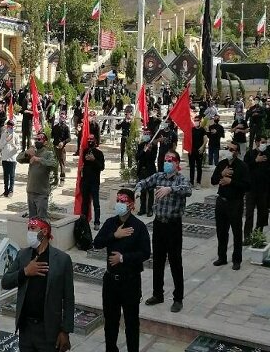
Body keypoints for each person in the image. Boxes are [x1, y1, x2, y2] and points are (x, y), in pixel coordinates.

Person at [1, 217, 74, 352]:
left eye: (33, 229)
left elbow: (69, 298)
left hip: (49, 331)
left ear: (44, 231)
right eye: (28, 228)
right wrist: (25, 272)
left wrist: (65, 331)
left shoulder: (62, 260)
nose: (29, 232)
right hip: (26, 329)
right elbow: (5, 281)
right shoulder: (22, 255)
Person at [93, 189, 151, 352]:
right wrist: (114, 235)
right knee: (110, 321)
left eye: (123, 201)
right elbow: (97, 243)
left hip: (130, 281)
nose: (119, 204)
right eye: (118, 200)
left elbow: (145, 253)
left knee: (132, 322)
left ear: (131, 205)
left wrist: (123, 258)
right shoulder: (111, 223)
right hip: (110, 281)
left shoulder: (138, 227)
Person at [135, 151, 191, 312]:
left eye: (170, 160)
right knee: (158, 261)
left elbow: (188, 190)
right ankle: (157, 294)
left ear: (176, 163)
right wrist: (138, 190)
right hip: (159, 224)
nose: (166, 162)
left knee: (175, 262)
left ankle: (178, 298)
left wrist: (170, 189)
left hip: (173, 226)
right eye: (165, 159)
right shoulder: (158, 176)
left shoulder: (180, 179)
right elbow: (143, 182)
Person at [211, 141, 250, 270]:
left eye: (232, 149)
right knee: (221, 231)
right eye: (227, 148)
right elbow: (213, 180)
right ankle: (222, 257)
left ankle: (237, 260)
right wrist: (222, 174)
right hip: (221, 201)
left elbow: (246, 186)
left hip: (235, 202)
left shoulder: (242, 166)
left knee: (237, 232)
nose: (229, 151)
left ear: (237, 152)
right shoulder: (222, 164)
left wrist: (231, 181)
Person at [16, 132, 57, 218]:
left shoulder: (48, 153)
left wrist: (38, 159)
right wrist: (26, 153)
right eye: (36, 139)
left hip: (41, 193)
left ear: (45, 142)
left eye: (39, 139)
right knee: (32, 220)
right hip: (31, 191)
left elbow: (54, 164)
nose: (37, 141)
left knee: (41, 219)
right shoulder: (32, 152)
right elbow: (18, 159)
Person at [243, 136, 270, 244]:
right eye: (263, 142)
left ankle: (258, 235)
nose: (264, 144)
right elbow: (244, 169)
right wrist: (255, 161)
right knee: (249, 214)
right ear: (257, 142)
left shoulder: (268, 154)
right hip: (251, 189)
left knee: (262, 214)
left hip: (264, 190)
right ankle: (247, 237)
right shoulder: (250, 154)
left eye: (266, 142)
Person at [80, 134, 105, 230]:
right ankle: (84, 221)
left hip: (94, 181)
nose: (90, 141)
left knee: (96, 203)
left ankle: (97, 222)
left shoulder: (99, 153)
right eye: (88, 139)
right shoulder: (85, 151)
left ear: (95, 141)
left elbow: (101, 167)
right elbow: (84, 163)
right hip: (85, 180)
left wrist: (94, 160)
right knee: (85, 202)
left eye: (91, 139)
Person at [135, 129, 157, 217]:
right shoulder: (140, 145)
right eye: (144, 134)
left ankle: (150, 209)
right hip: (142, 171)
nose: (146, 135)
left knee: (150, 191)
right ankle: (142, 208)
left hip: (150, 171)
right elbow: (137, 157)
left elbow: (153, 158)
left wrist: (149, 151)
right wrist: (144, 150)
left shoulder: (154, 146)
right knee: (142, 191)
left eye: (147, 134)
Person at [0, 120, 19, 197]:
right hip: (5, 157)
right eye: (9, 126)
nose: (10, 128)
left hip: (12, 157)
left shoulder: (16, 135)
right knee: (6, 175)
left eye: (11, 126)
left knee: (12, 175)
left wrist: (13, 144)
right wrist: (6, 141)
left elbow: (18, 147)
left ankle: (11, 190)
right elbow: (0, 146)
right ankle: (6, 190)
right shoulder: (3, 135)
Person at [189, 116, 207, 189]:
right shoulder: (191, 129)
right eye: (195, 120)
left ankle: (198, 182)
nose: (196, 121)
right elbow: (188, 139)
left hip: (199, 151)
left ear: (200, 121)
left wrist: (202, 147)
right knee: (192, 167)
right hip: (191, 150)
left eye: (197, 120)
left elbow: (205, 139)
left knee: (199, 167)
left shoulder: (202, 130)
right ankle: (191, 182)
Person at [52, 114, 71, 183]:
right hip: (55, 146)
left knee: (62, 163)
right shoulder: (55, 127)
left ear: (65, 119)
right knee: (54, 163)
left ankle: (62, 179)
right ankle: (55, 178)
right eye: (61, 117)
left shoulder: (66, 128)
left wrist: (63, 142)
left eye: (63, 117)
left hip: (62, 148)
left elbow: (69, 138)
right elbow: (52, 136)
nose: (61, 118)